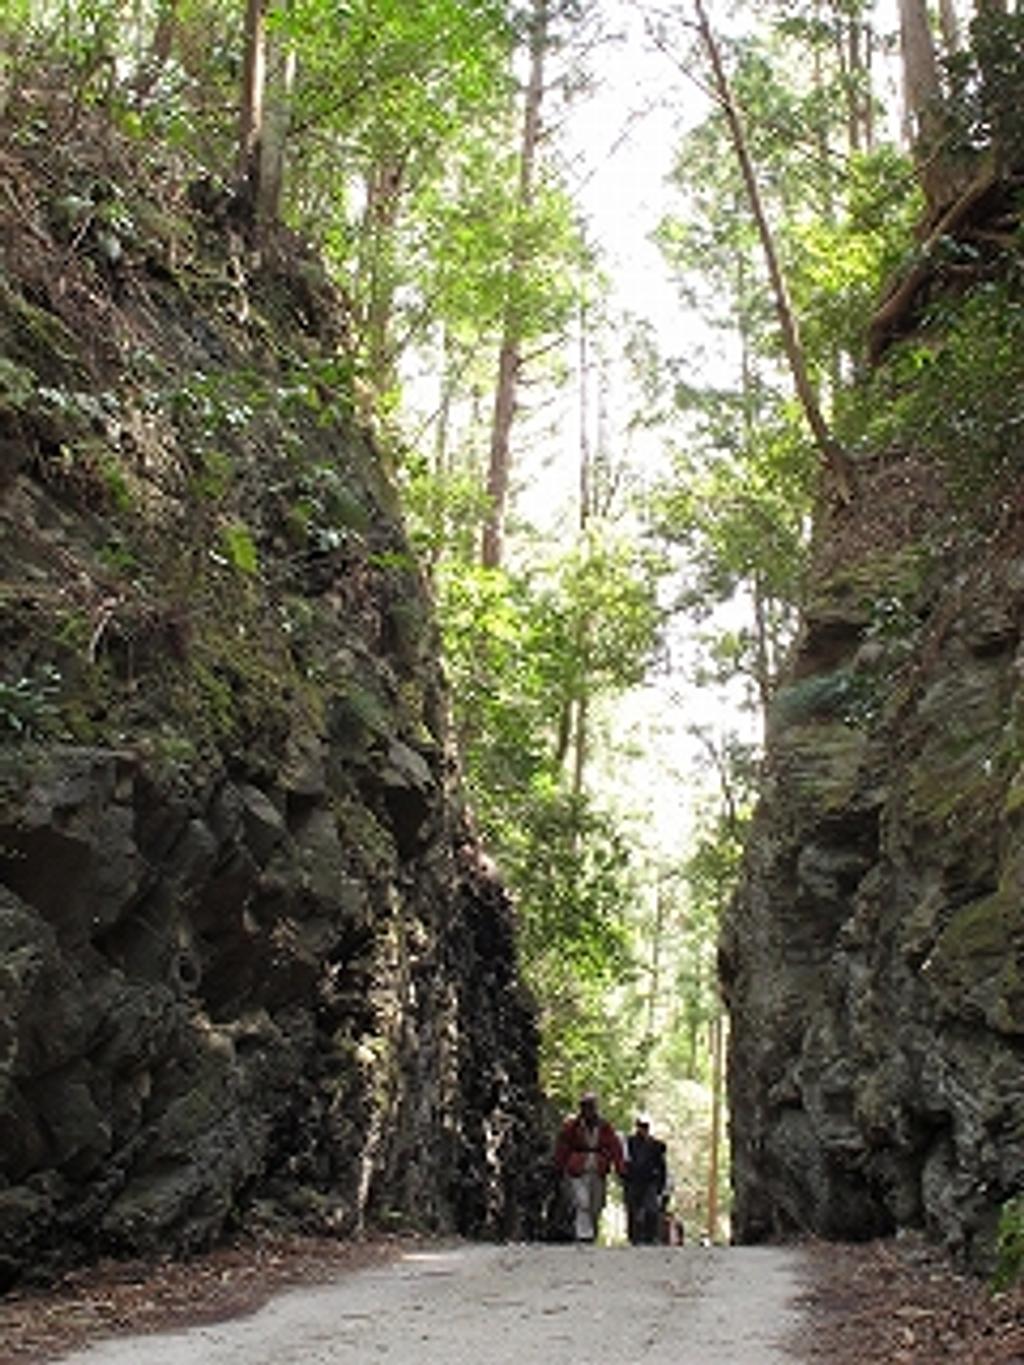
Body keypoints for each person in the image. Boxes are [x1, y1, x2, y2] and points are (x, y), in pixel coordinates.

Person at [553, 1092, 625, 1243]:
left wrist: (620, 1168)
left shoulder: (605, 1127)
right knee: (582, 1201)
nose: (588, 1110)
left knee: (596, 1204)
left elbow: (615, 1147)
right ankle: (583, 1235)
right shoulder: (571, 1127)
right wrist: (559, 1167)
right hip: (577, 1169)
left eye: (591, 1107)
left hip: (598, 1169)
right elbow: (562, 1147)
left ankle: (591, 1230)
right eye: (585, 1107)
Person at [622, 1111, 667, 1245]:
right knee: (633, 1210)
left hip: (649, 1183)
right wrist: (624, 1179)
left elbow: (662, 1166)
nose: (643, 1129)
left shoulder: (656, 1146)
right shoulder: (629, 1143)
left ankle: (650, 1237)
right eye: (641, 1126)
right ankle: (634, 1238)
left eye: (645, 1126)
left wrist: (661, 1185)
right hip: (633, 1182)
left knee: (651, 1210)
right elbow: (624, 1162)